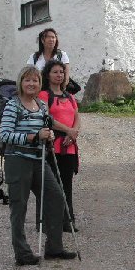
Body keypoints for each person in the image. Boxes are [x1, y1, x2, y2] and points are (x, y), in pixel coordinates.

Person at [0, 65, 76, 265]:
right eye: (27, 80)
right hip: (17, 160)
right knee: (19, 207)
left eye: (35, 80)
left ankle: (54, 247)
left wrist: (49, 135)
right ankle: (22, 253)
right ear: (21, 83)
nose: (31, 84)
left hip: (39, 160)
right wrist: (34, 137)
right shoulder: (12, 105)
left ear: (39, 83)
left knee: (56, 197)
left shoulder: (41, 105)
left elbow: (46, 126)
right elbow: (5, 135)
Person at [39, 60, 80, 232]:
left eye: (61, 72)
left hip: (69, 145)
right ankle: (52, 221)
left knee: (67, 183)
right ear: (48, 74)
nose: (59, 75)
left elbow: (77, 115)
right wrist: (69, 130)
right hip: (53, 145)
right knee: (53, 185)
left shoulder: (69, 96)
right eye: (55, 72)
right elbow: (47, 118)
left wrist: (73, 132)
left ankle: (68, 220)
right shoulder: (43, 95)